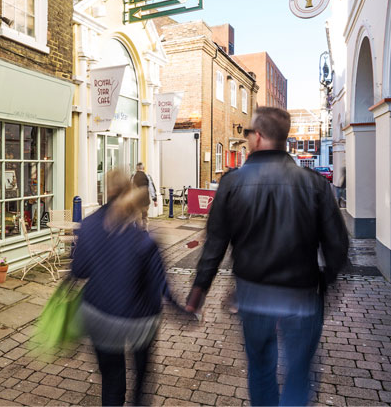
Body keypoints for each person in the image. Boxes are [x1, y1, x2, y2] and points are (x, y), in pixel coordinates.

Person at [185, 107, 348, 407]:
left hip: (253, 295)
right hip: (302, 296)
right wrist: (323, 282)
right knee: (299, 373)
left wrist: (198, 292)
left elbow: (215, 245)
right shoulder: (314, 184)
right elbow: (338, 245)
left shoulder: (232, 184)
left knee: (261, 369)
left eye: (248, 133)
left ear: (258, 137)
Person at [72, 170, 183, 406]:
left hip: (100, 315)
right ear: (129, 192)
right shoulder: (143, 238)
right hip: (140, 319)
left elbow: (79, 271)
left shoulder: (89, 225)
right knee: (142, 374)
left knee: (112, 379)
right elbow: (160, 283)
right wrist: (182, 309)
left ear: (106, 191)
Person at [131, 163, 157, 229]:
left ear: (137, 168)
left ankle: (138, 232)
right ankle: (145, 230)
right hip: (145, 201)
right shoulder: (147, 176)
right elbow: (151, 188)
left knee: (137, 217)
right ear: (143, 168)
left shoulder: (133, 176)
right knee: (145, 216)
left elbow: (130, 188)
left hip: (136, 200)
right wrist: (154, 199)